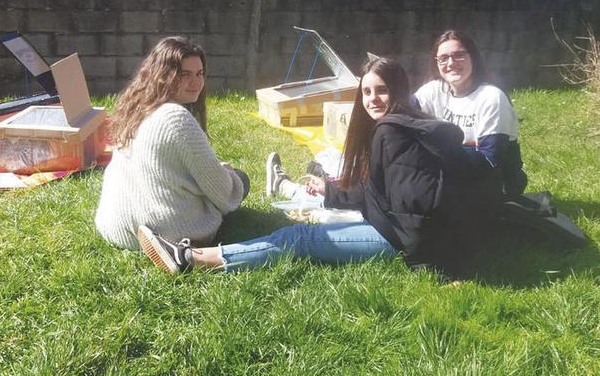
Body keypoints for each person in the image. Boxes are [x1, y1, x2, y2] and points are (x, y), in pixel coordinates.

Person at [137, 57, 493, 276]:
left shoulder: (391, 130)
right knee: (315, 216)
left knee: (298, 238)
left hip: (401, 241)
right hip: (399, 227)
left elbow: (410, 210)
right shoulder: (401, 123)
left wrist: (433, 264)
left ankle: (190, 258)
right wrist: (333, 193)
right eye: (366, 92)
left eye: (381, 90)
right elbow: (387, 193)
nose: (372, 100)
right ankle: (288, 191)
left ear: (398, 90)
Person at [94, 36, 248, 250]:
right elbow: (223, 193)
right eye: (185, 75)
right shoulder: (175, 118)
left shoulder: (135, 109)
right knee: (240, 180)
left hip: (116, 226)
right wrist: (229, 174)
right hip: (165, 233)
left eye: (200, 74)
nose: (196, 83)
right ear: (163, 76)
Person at [413, 30, 527, 199]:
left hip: (494, 185)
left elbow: (490, 160)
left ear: (473, 57)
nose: (450, 63)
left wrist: (438, 146)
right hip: (451, 176)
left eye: (459, 55)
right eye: (443, 58)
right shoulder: (435, 90)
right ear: (436, 63)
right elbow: (402, 114)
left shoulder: (491, 98)